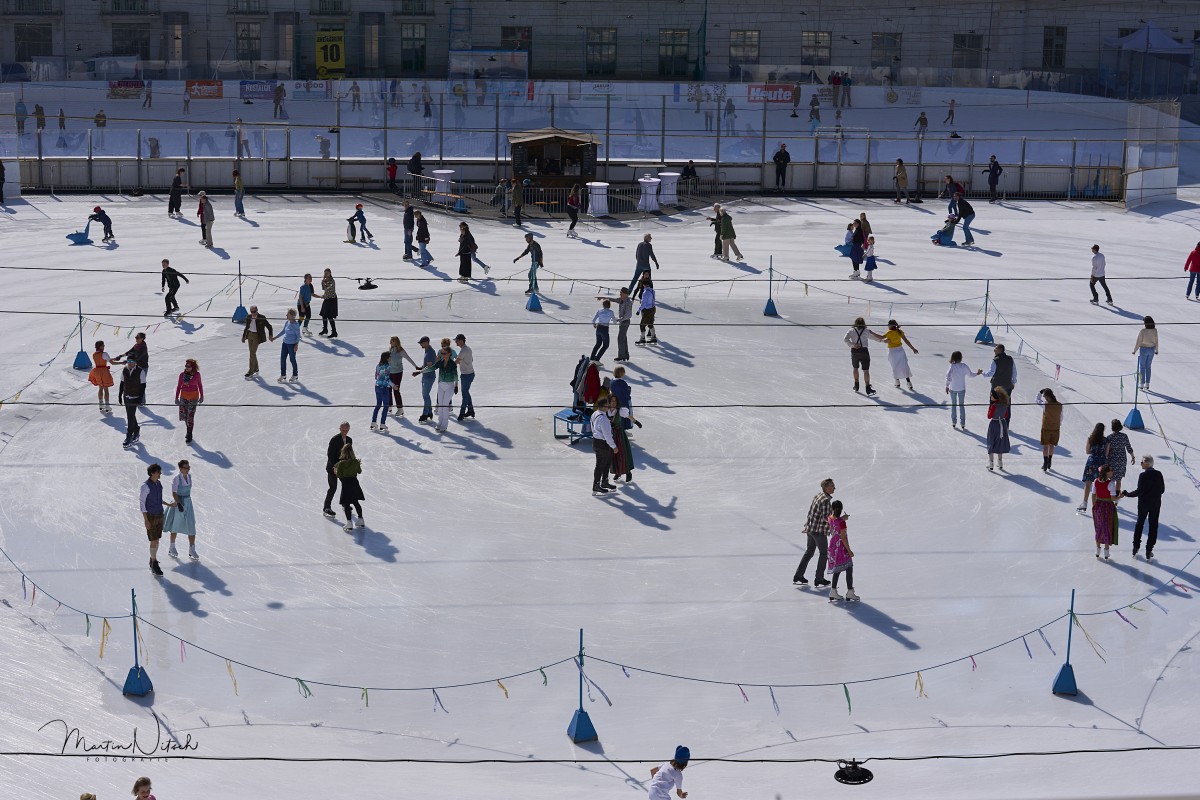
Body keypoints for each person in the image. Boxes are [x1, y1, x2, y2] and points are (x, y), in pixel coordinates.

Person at [792, 478, 835, 586]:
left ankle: (798, 575)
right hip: (818, 531)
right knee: (824, 554)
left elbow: (810, 512)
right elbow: (827, 518)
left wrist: (807, 526)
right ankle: (819, 578)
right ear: (826, 487)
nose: (834, 488)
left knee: (809, 551)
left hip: (811, 529)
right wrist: (840, 519)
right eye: (831, 486)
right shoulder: (825, 500)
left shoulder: (818, 496)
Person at [1122, 455, 1165, 560]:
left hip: (1144, 504)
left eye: (1142, 462)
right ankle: (1149, 549)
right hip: (1155, 504)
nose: (1140, 463)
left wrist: (1127, 494)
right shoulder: (1159, 474)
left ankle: (1135, 546)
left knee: (1140, 524)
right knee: (1153, 526)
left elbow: (1139, 491)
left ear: (1147, 464)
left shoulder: (1143, 475)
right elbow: (1162, 490)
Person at [140, 464, 172, 576]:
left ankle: (152, 559)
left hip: (159, 514)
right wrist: (146, 520)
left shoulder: (159, 484)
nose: (160, 474)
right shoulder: (145, 486)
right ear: (152, 473)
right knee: (153, 540)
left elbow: (158, 500)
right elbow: (142, 504)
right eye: (158, 472)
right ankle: (154, 563)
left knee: (157, 540)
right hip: (151, 516)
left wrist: (168, 504)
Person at [163, 459, 198, 559]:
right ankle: (172, 547)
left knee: (191, 525)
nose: (187, 469)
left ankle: (192, 549)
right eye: (185, 468)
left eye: (188, 467)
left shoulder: (189, 477)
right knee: (175, 525)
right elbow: (174, 493)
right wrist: (178, 503)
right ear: (180, 468)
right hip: (179, 503)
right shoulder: (176, 479)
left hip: (188, 504)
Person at [826, 500, 858, 602]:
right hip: (841, 548)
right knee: (849, 569)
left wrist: (843, 518)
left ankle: (833, 591)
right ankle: (850, 592)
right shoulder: (842, 522)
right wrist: (849, 551)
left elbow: (836, 521)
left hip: (833, 547)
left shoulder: (830, 518)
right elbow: (843, 538)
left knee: (837, 570)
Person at [322, 422, 353, 518]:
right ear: (339, 429)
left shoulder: (349, 440)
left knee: (346, 486)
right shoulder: (334, 439)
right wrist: (335, 467)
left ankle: (344, 503)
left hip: (343, 468)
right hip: (333, 468)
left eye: (346, 430)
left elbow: (349, 454)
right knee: (333, 487)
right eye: (343, 430)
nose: (345, 432)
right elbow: (330, 454)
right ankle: (326, 507)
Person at [844, 317, 881, 396]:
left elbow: (845, 339)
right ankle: (867, 388)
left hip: (854, 351)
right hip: (864, 351)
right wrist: (883, 340)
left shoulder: (851, 330)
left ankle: (856, 385)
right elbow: (874, 338)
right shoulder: (866, 331)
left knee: (855, 368)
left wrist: (853, 345)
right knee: (866, 370)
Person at [590, 395, 618, 495]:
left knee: (607, 462)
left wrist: (609, 423)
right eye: (607, 405)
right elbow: (607, 435)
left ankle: (604, 482)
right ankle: (596, 485)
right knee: (600, 464)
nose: (609, 406)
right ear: (603, 406)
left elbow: (596, 425)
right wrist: (614, 446)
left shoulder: (595, 414)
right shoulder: (603, 419)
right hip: (602, 443)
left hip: (596, 441)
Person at [1077, 422, 1108, 513]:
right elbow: (1106, 454)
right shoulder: (1106, 440)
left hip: (1092, 462)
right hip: (1102, 463)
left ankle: (1084, 503)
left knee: (1088, 483)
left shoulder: (1091, 439)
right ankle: (1097, 505)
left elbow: (1087, 451)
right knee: (1100, 484)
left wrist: (1094, 451)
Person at [978, 343, 1016, 417]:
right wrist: (1013, 382)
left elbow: (990, 373)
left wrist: (982, 372)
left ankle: (994, 419)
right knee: (1006, 403)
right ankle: (1005, 421)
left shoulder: (995, 360)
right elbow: (1014, 371)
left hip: (997, 387)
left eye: (996, 349)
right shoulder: (1010, 359)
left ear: (1000, 350)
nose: (994, 350)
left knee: (994, 402)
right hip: (1008, 386)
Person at [431, 337, 459, 433]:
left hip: (449, 385)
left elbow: (455, 375)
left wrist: (456, 385)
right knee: (440, 405)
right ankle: (439, 423)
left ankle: (444, 424)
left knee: (445, 405)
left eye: (444, 353)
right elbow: (432, 367)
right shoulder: (441, 362)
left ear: (449, 353)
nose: (442, 355)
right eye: (442, 353)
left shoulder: (452, 364)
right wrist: (420, 371)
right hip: (441, 384)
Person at [335, 443, 365, 531]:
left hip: (346, 484)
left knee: (346, 504)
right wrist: (357, 464)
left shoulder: (342, 463)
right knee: (355, 502)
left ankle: (349, 523)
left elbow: (339, 475)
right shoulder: (355, 461)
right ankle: (361, 519)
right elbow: (359, 471)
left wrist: (336, 471)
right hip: (354, 483)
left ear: (343, 452)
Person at [387, 336, 418, 416]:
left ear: (396, 342)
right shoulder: (391, 350)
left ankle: (400, 409)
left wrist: (416, 366)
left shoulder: (400, 351)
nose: (390, 343)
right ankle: (389, 406)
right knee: (388, 389)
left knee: (396, 390)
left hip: (398, 373)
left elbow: (408, 358)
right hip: (390, 372)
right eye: (390, 341)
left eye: (392, 341)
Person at [882, 319, 918, 390]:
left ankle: (897, 381)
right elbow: (906, 341)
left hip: (892, 351)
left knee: (895, 366)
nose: (887, 326)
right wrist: (913, 348)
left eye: (888, 324)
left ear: (890, 325)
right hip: (900, 351)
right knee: (904, 366)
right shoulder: (899, 331)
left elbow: (881, 337)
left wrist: (871, 333)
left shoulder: (889, 332)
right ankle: (909, 383)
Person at [174, 357, 204, 444]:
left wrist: (202, 396)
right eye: (186, 366)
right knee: (185, 416)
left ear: (193, 367)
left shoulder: (197, 375)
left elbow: (200, 385)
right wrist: (176, 398)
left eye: (188, 366)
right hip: (183, 397)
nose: (186, 368)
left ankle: (189, 433)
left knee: (190, 416)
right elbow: (179, 386)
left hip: (193, 397)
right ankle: (188, 429)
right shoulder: (182, 375)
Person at [944, 351, 977, 428]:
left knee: (954, 405)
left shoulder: (952, 366)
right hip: (961, 389)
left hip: (953, 389)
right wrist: (977, 373)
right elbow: (971, 375)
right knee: (961, 405)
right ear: (960, 357)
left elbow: (948, 376)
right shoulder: (964, 366)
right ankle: (963, 423)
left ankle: (954, 421)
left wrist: (947, 386)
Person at [1092, 464, 1118, 560]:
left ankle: (1097, 550)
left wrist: (1094, 505)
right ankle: (1106, 552)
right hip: (1107, 507)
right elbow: (1113, 498)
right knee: (1107, 527)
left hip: (1098, 505)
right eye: (1111, 470)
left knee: (1099, 527)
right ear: (1107, 473)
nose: (1112, 472)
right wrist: (1120, 496)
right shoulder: (1111, 483)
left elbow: (1093, 495)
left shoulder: (1096, 481)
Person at [240, 305, 272, 379]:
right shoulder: (248, 316)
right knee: (252, 353)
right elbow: (246, 327)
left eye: (254, 311)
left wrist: (270, 335)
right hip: (250, 335)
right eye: (251, 312)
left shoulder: (261, 317)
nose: (253, 313)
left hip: (257, 336)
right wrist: (244, 336)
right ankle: (256, 369)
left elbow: (269, 326)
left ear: (257, 310)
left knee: (252, 352)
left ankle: (251, 371)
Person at [118, 360, 145, 448]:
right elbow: (122, 383)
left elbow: (143, 386)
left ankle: (129, 436)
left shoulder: (140, 371)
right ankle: (136, 430)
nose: (129, 363)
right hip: (126, 396)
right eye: (128, 361)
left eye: (131, 361)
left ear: (135, 362)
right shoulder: (125, 370)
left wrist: (140, 398)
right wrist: (120, 395)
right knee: (131, 415)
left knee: (130, 416)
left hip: (135, 397)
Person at [1105, 418, 1135, 493]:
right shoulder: (1124, 436)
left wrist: (1105, 459)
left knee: (1110, 479)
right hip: (1122, 461)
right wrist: (1133, 457)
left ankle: (1110, 494)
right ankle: (1117, 495)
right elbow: (1129, 448)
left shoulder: (1109, 437)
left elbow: (1107, 451)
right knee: (1119, 480)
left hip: (1112, 460)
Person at [412, 335, 437, 422]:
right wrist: (421, 368)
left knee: (425, 395)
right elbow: (426, 365)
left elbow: (429, 367)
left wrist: (419, 372)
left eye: (421, 343)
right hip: (425, 376)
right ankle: (429, 412)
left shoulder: (430, 352)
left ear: (426, 342)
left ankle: (425, 414)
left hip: (429, 377)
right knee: (425, 395)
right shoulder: (427, 351)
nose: (420, 345)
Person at [986, 387, 1011, 471]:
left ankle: (991, 463)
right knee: (1000, 442)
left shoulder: (993, 406)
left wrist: (991, 407)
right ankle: (1000, 462)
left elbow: (989, 416)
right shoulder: (1004, 405)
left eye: (991, 395)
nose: (990, 396)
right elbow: (1006, 415)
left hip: (994, 424)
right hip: (1002, 424)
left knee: (991, 442)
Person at [1037, 388, 1062, 472]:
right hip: (1056, 428)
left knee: (1045, 446)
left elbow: (1037, 400)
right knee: (1052, 445)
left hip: (1046, 428)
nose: (1044, 398)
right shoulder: (1060, 405)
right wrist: (1057, 424)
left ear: (1047, 396)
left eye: (1044, 397)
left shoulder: (1045, 405)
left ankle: (1045, 462)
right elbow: (1061, 417)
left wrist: (1039, 393)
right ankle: (1050, 460)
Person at [276, 308, 301, 382]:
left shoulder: (296, 325)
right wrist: (275, 337)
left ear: (292, 316)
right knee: (282, 359)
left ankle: (295, 375)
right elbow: (283, 331)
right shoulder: (287, 322)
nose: (286, 315)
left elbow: (298, 336)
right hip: (285, 343)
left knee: (292, 359)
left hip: (292, 345)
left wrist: (296, 345)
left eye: (288, 314)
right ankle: (283, 375)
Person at [89, 340, 114, 412]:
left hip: (97, 371)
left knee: (100, 388)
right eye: (103, 345)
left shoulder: (94, 354)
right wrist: (121, 362)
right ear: (100, 346)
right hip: (104, 372)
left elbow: (104, 359)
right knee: (106, 389)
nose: (104, 347)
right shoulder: (104, 354)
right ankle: (107, 405)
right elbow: (112, 363)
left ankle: (101, 404)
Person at [1133, 316, 1158, 389]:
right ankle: (1147, 383)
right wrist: (1156, 350)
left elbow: (1139, 341)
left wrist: (1135, 350)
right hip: (1151, 349)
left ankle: (1141, 384)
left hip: (1143, 349)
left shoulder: (1143, 331)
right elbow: (1156, 340)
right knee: (1148, 366)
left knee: (1142, 366)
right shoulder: (1155, 330)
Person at [454, 333, 475, 420]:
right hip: (469, 373)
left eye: (457, 340)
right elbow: (471, 360)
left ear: (461, 341)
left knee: (465, 394)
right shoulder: (468, 349)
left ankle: (462, 413)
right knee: (466, 392)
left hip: (466, 375)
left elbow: (456, 361)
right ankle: (470, 410)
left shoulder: (463, 350)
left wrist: (447, 366)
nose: (456, 342)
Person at [371, 351, 392, 433]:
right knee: (386, 406)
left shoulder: (378, 366)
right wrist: (394, 385)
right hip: (384, 388)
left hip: (377, 386)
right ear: (387, 358)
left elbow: (376, 376)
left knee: (378, 404)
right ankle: (382, 423)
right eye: (390, 357)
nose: (391, 358)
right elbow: (387, 379)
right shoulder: (388, 366)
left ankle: (373, 422)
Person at [591, 299, 616, 363]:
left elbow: (593, 320)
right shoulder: (611, 312)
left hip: (599, 328)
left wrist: (594, 324)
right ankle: (597, 359)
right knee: (605, 345)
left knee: (598, 344)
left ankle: (592, 358)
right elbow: (614, 322)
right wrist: (616, 319)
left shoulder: (600, 310)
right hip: (605, 329)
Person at [636, 277, 658, 345]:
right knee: (650, 323)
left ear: (643, 285)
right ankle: (653, 337)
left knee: (642, 325)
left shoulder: (645, 293)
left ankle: (642, 338)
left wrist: (639, 310)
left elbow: (643, 303)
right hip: (653, 308)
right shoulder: (652, 291)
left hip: (647, 310)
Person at [615, 287, 634, 363]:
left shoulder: (628, 302)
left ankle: (621, 356)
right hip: (622, 322)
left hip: (625, 322)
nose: (620, 294)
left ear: (626, 294)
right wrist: (604, 298)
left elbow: (628, 315)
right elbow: (615, 300)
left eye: (621, 293)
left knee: (620, 338)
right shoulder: (621, 300)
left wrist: (619, 319)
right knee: (623, 338)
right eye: (620, 293)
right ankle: (626, 355)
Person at [318, 268, 339, 337]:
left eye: (327, 273)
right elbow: (323, 288)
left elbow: (327, 288)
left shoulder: (332, 281)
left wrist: (324, 281)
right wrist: (323, 281)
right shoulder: (325, 280)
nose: (326, 274)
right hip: (327, 298)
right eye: (325, 273)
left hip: (332, 299)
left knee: (330, 316)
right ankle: (325, 329)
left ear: (330, 273)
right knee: (324, 314)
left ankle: (334, 332)